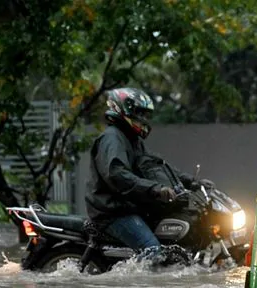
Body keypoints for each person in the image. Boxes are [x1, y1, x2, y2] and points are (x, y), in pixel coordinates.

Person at [85, 88, 212, 260]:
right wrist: (156, 189)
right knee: (153, 251)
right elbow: (117, 175)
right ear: (124, 110)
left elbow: (155, 167)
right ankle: (142, 286)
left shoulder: (133, 140)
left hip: (132, 208)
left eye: (145, 115)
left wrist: (192, 182)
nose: (143, 119)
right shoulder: (112, 139)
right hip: (114, 213)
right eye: (139, 113)